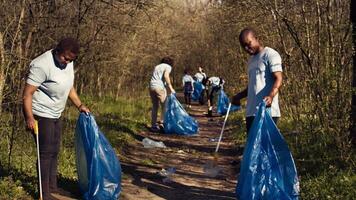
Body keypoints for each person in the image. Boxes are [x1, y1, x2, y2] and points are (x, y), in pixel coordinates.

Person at [23, 37, 90, 200]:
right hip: (40, 113)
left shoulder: (68, 62)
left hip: (56, 113)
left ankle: (53, 187)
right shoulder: (42, 65)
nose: (67, 62)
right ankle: (44, 193)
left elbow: (69, 87)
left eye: (71, 60)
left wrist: (80, 105)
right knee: (45, 152)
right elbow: (27, 94)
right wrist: (29, 117)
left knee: (54, 150)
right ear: (57, 50)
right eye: (65, 58)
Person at [232, 27, 283, 134]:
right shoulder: (251, 61)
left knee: (264, 148)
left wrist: (271, 96)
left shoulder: (270, 55)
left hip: (267, 112)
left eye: (248, 43)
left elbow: (278, 78)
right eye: (243, 46)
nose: (246, 48)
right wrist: (238, 96)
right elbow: (252, 86)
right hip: (251, 112)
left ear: (257, 38)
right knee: (253, 148)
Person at [149, 56, 175, 132]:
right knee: (165, 106)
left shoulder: (157, 66)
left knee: (155, 106)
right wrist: (171, 87)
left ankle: (153, 126)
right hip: (159, 87)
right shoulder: (168, 66)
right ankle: (162, 123)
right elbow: (166, 76)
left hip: (151, 86)